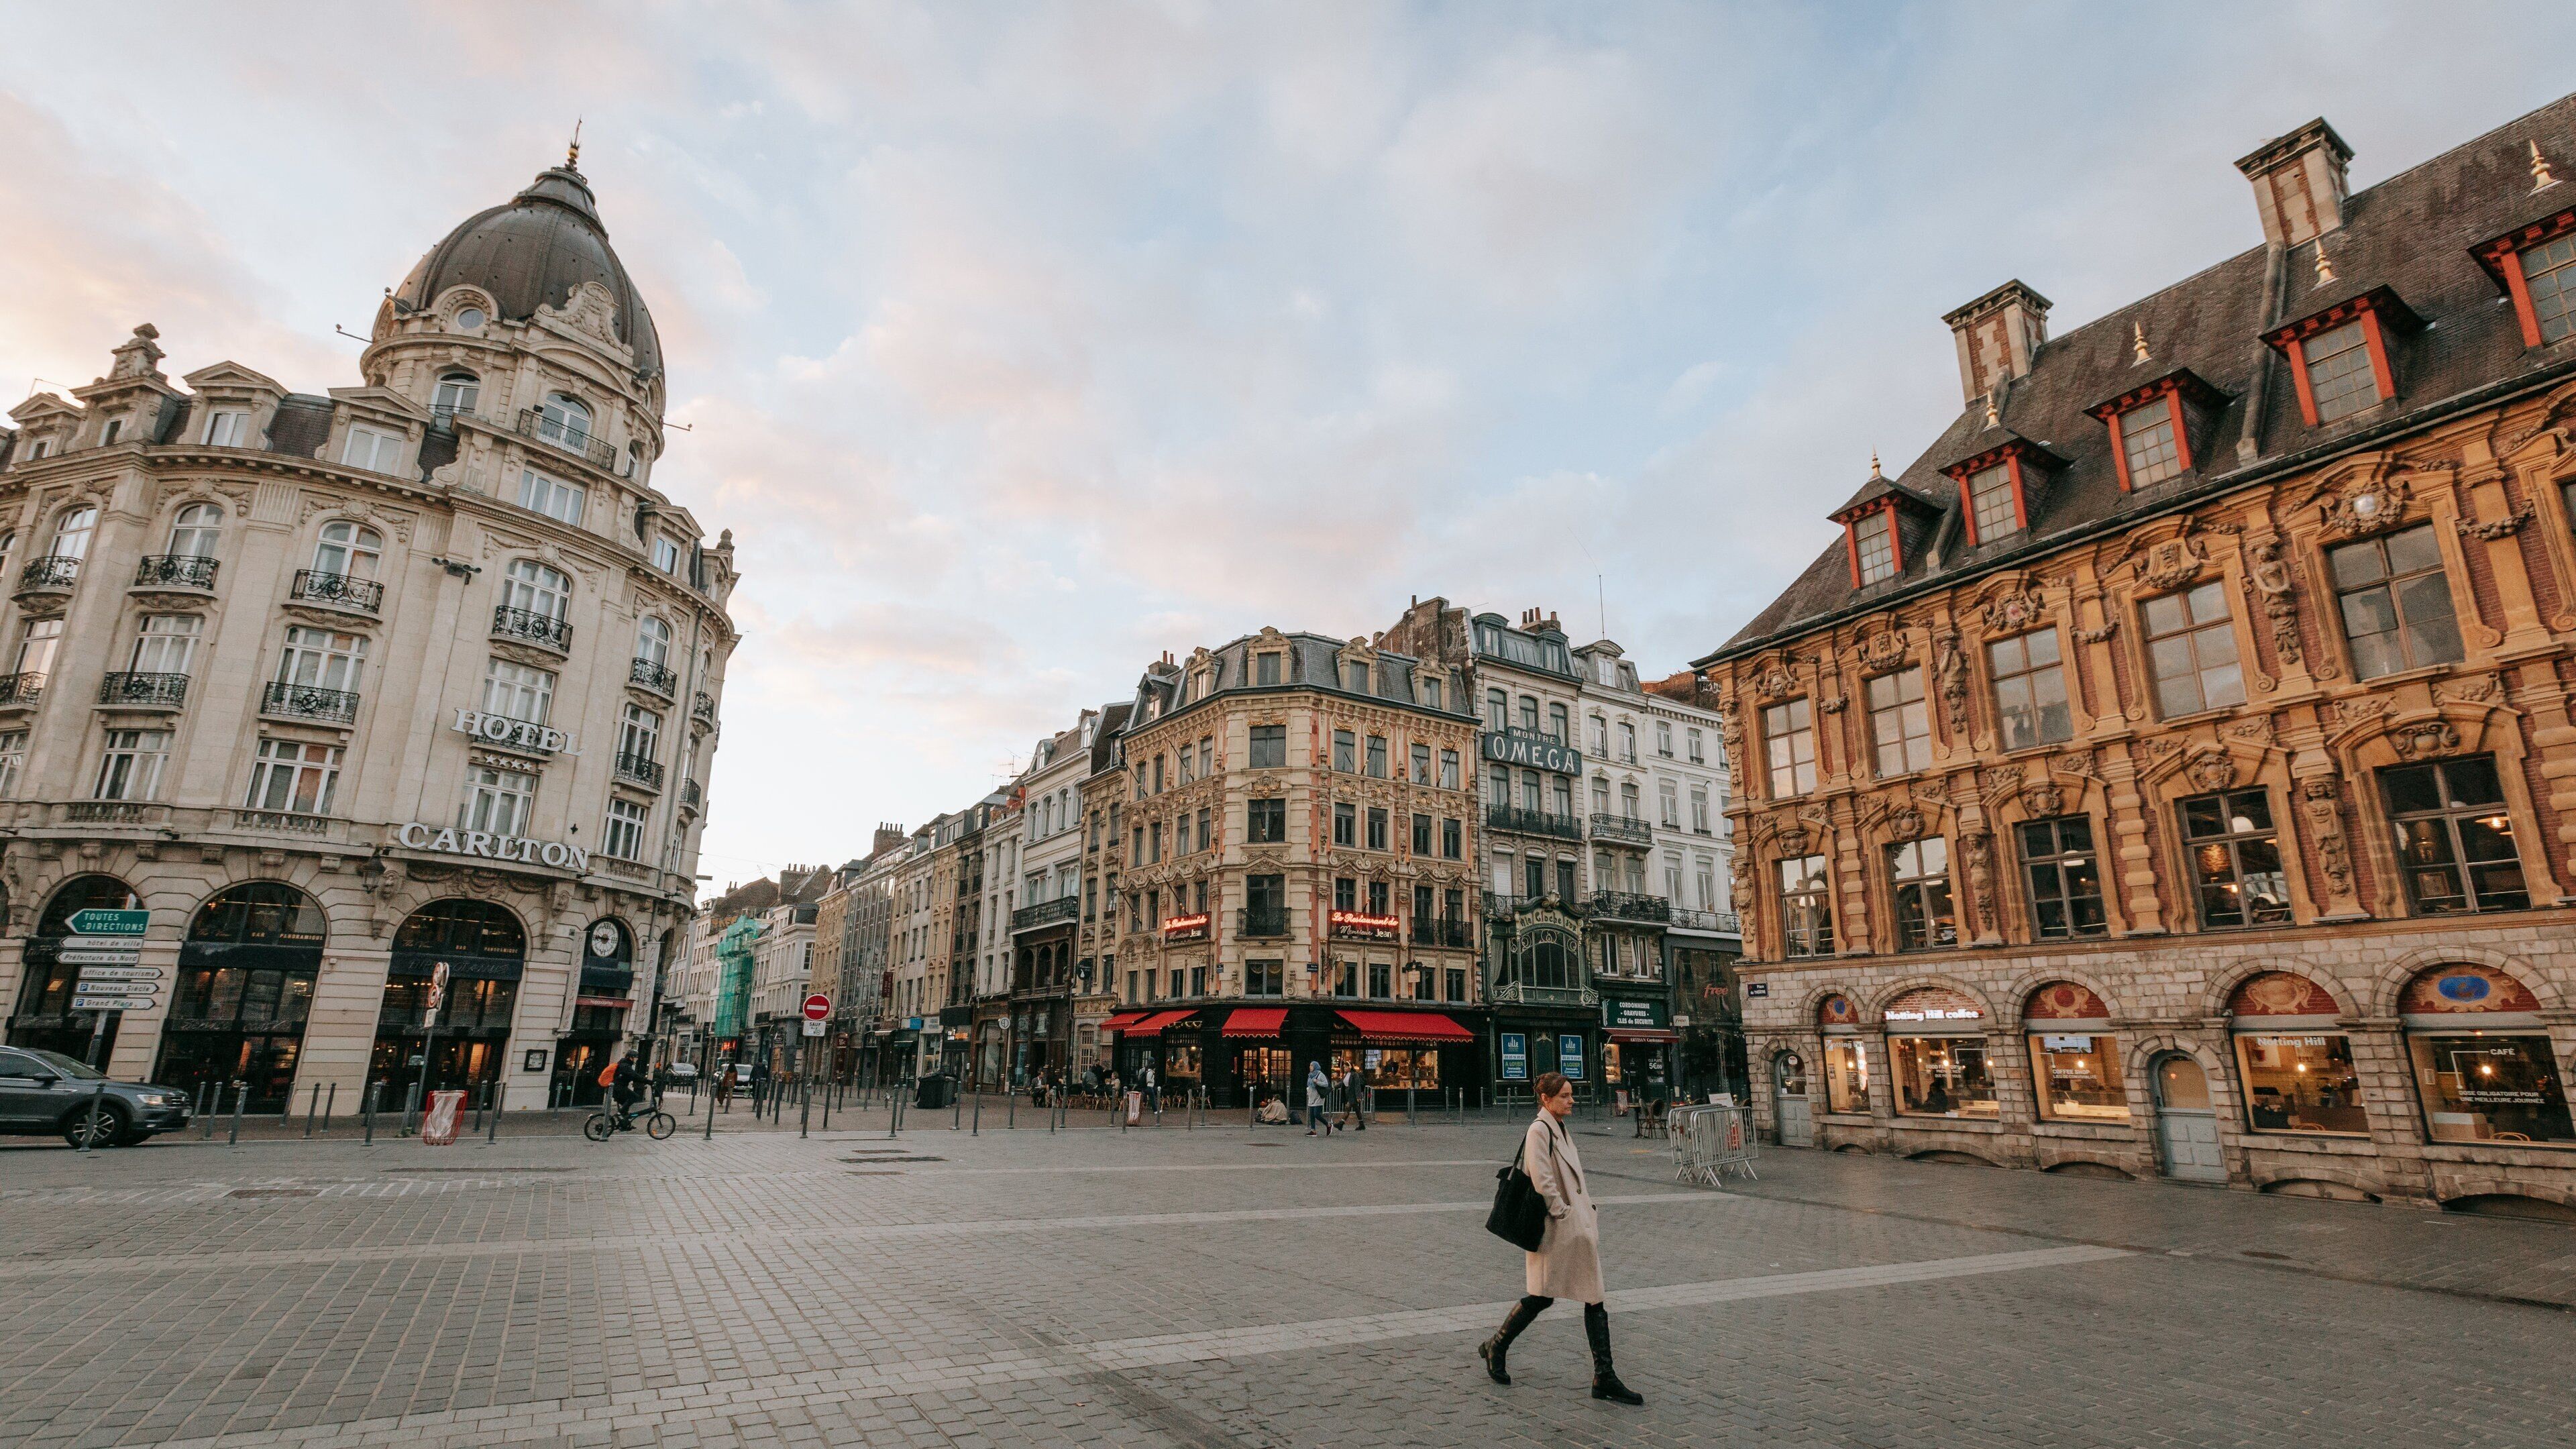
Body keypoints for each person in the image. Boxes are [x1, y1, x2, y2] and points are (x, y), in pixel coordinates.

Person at [1477, 1071, 1642, 1405]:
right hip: (1558, 1227)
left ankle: (1604, 1376)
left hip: (1574, 1226)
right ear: (1546, 1099)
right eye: (1565, 1096)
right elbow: (1542, 1180)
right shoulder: (1539, 1130)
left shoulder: (1559, 1127)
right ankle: (1497, 1345)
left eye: (1571, 1094)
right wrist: (1564, 1212)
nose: (1571, 1100)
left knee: (1590, 1297)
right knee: (1543, 1295)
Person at [609, 1051, 646, 1130]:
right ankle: (619, 1114)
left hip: (619, 1088)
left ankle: (624, 1124)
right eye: (635, 1057)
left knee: (627, 1104)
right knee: (635, 1097)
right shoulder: (625, 1066)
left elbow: (633, 1076)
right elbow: (634, 1076)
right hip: (618, 1088)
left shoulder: (626, 1064)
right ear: (630, 1057)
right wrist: (648, 1081)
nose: (637, 1059)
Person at [1306, 1060, 1334, 1136]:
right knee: (1311, 1114)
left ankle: (1328, 1125)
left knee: (1316, 1114)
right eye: (1310, 1065)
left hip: (1318, 1097)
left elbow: (1326, 1084)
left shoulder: (1320, 1074)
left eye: (1312, 1065)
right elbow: (1309, 1085)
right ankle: (1313, 1130)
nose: (1310, 1067)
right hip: (1312, 1096)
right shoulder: (1310, 1075)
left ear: (1315, 1066)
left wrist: (1317, 1082)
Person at [1340, 1063, 1367, 1132]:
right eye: (1344, 1067)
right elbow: (1342, 1083)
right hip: (1348, 1095)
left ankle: (1341, 1124)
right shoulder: (1346, 1074)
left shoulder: (1355, 1075)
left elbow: (1357, 1086)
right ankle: (1362, 1124)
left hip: (1353, 1095)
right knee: (1357, 1110)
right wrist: (1334, 1087)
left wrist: (1358, 1096)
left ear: (1350, 1067)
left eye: (1346, 1067)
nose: (1344, 1069)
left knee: (1347, 1108)